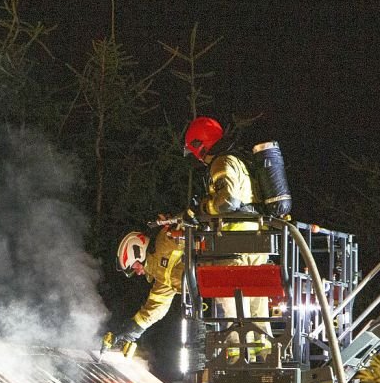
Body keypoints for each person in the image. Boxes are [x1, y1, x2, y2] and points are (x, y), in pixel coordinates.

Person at [104, 116, 273, 360]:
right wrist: (132, 331)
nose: (139, 272)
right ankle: (263, 356)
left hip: (235, 244)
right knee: (253, 300)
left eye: (136, 267)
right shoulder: (161, 269)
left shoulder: (222, 163)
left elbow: (226, 202)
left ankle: (239, 360)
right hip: (254, 240)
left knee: (233, 304)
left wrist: (196, 213)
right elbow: (157, 304)